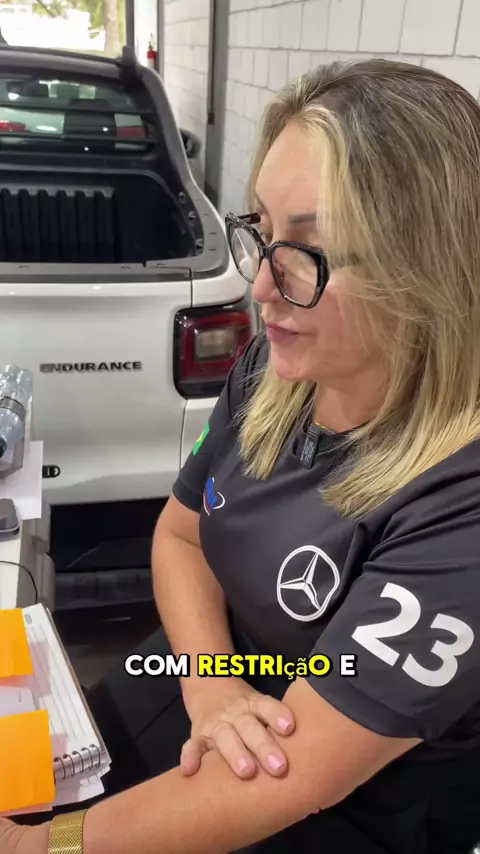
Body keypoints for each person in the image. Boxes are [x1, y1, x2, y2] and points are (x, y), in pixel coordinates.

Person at [4, 56, 480, 854]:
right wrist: (210, 681)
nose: (261, 287)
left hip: (345, 802)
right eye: (262, 231)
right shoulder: (275, 374)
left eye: (309, 251)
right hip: (209, 689)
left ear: (426, 267)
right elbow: (181, 536)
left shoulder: (460, 501)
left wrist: (34, 849)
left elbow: (298, 773)